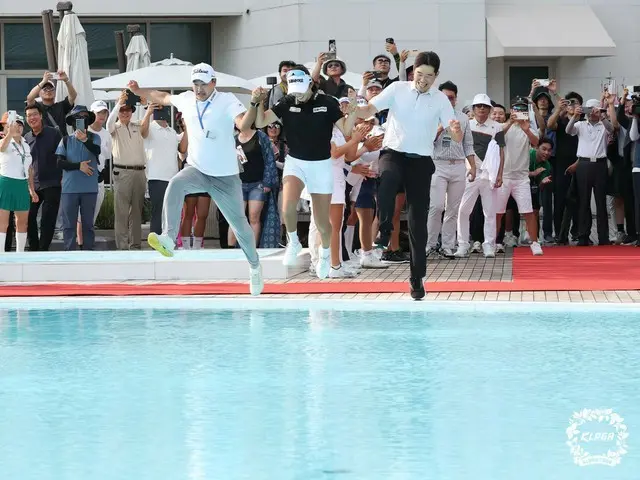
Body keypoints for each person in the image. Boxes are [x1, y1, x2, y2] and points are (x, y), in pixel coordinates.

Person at [127, 63, 264, 295]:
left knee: (240, 225)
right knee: (176, 184)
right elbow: (162, 95)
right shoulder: (187, 99)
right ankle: (169, 239)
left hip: (224, 176)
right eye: (196, 83)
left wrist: (253, 103)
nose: (199, 89)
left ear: (214, 83)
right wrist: (139, 90)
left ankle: (254, 267)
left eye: (204, 84)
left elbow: (244, 123)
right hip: (197, 169)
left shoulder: (227, 100)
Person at [352, 52, 463, 299]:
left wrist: (455, 131)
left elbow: (455, 134)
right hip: (393, 153)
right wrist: (357, 109)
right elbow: (371, 107)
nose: (423, 80)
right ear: (413, 70)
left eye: (429, 76)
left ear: (437, 76)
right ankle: (383, 230)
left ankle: (416, 278)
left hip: (421, 162)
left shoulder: (440, 100)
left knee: (417, 222)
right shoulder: (398, 89)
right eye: (420, 74)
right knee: (387, 183)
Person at [249, 65, 357, 280]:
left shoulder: (327, 102)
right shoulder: (287, 102)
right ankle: (293, 242)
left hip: (321, 164)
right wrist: (257, 102)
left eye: (301, 89)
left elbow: (345, 130)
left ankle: (325, 255)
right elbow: (260, 122)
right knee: (287, 208)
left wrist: (352, 109)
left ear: (311, 83)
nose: (298, 95)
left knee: (323, 222)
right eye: (294, 90)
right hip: (295, 161)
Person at [0, 112, 38, 251]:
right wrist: (10, 134)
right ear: (6, 128)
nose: (18, 127)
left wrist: (32, 189)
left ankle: (20, 254)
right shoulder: (4, 142)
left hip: (21, 185)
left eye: (20, 125)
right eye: (14, 125)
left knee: (22, 222)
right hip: (6, 183)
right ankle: (1, 255)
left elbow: (29, 169)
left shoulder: (26, 145)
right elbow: (2, 148)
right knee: (3, 223)